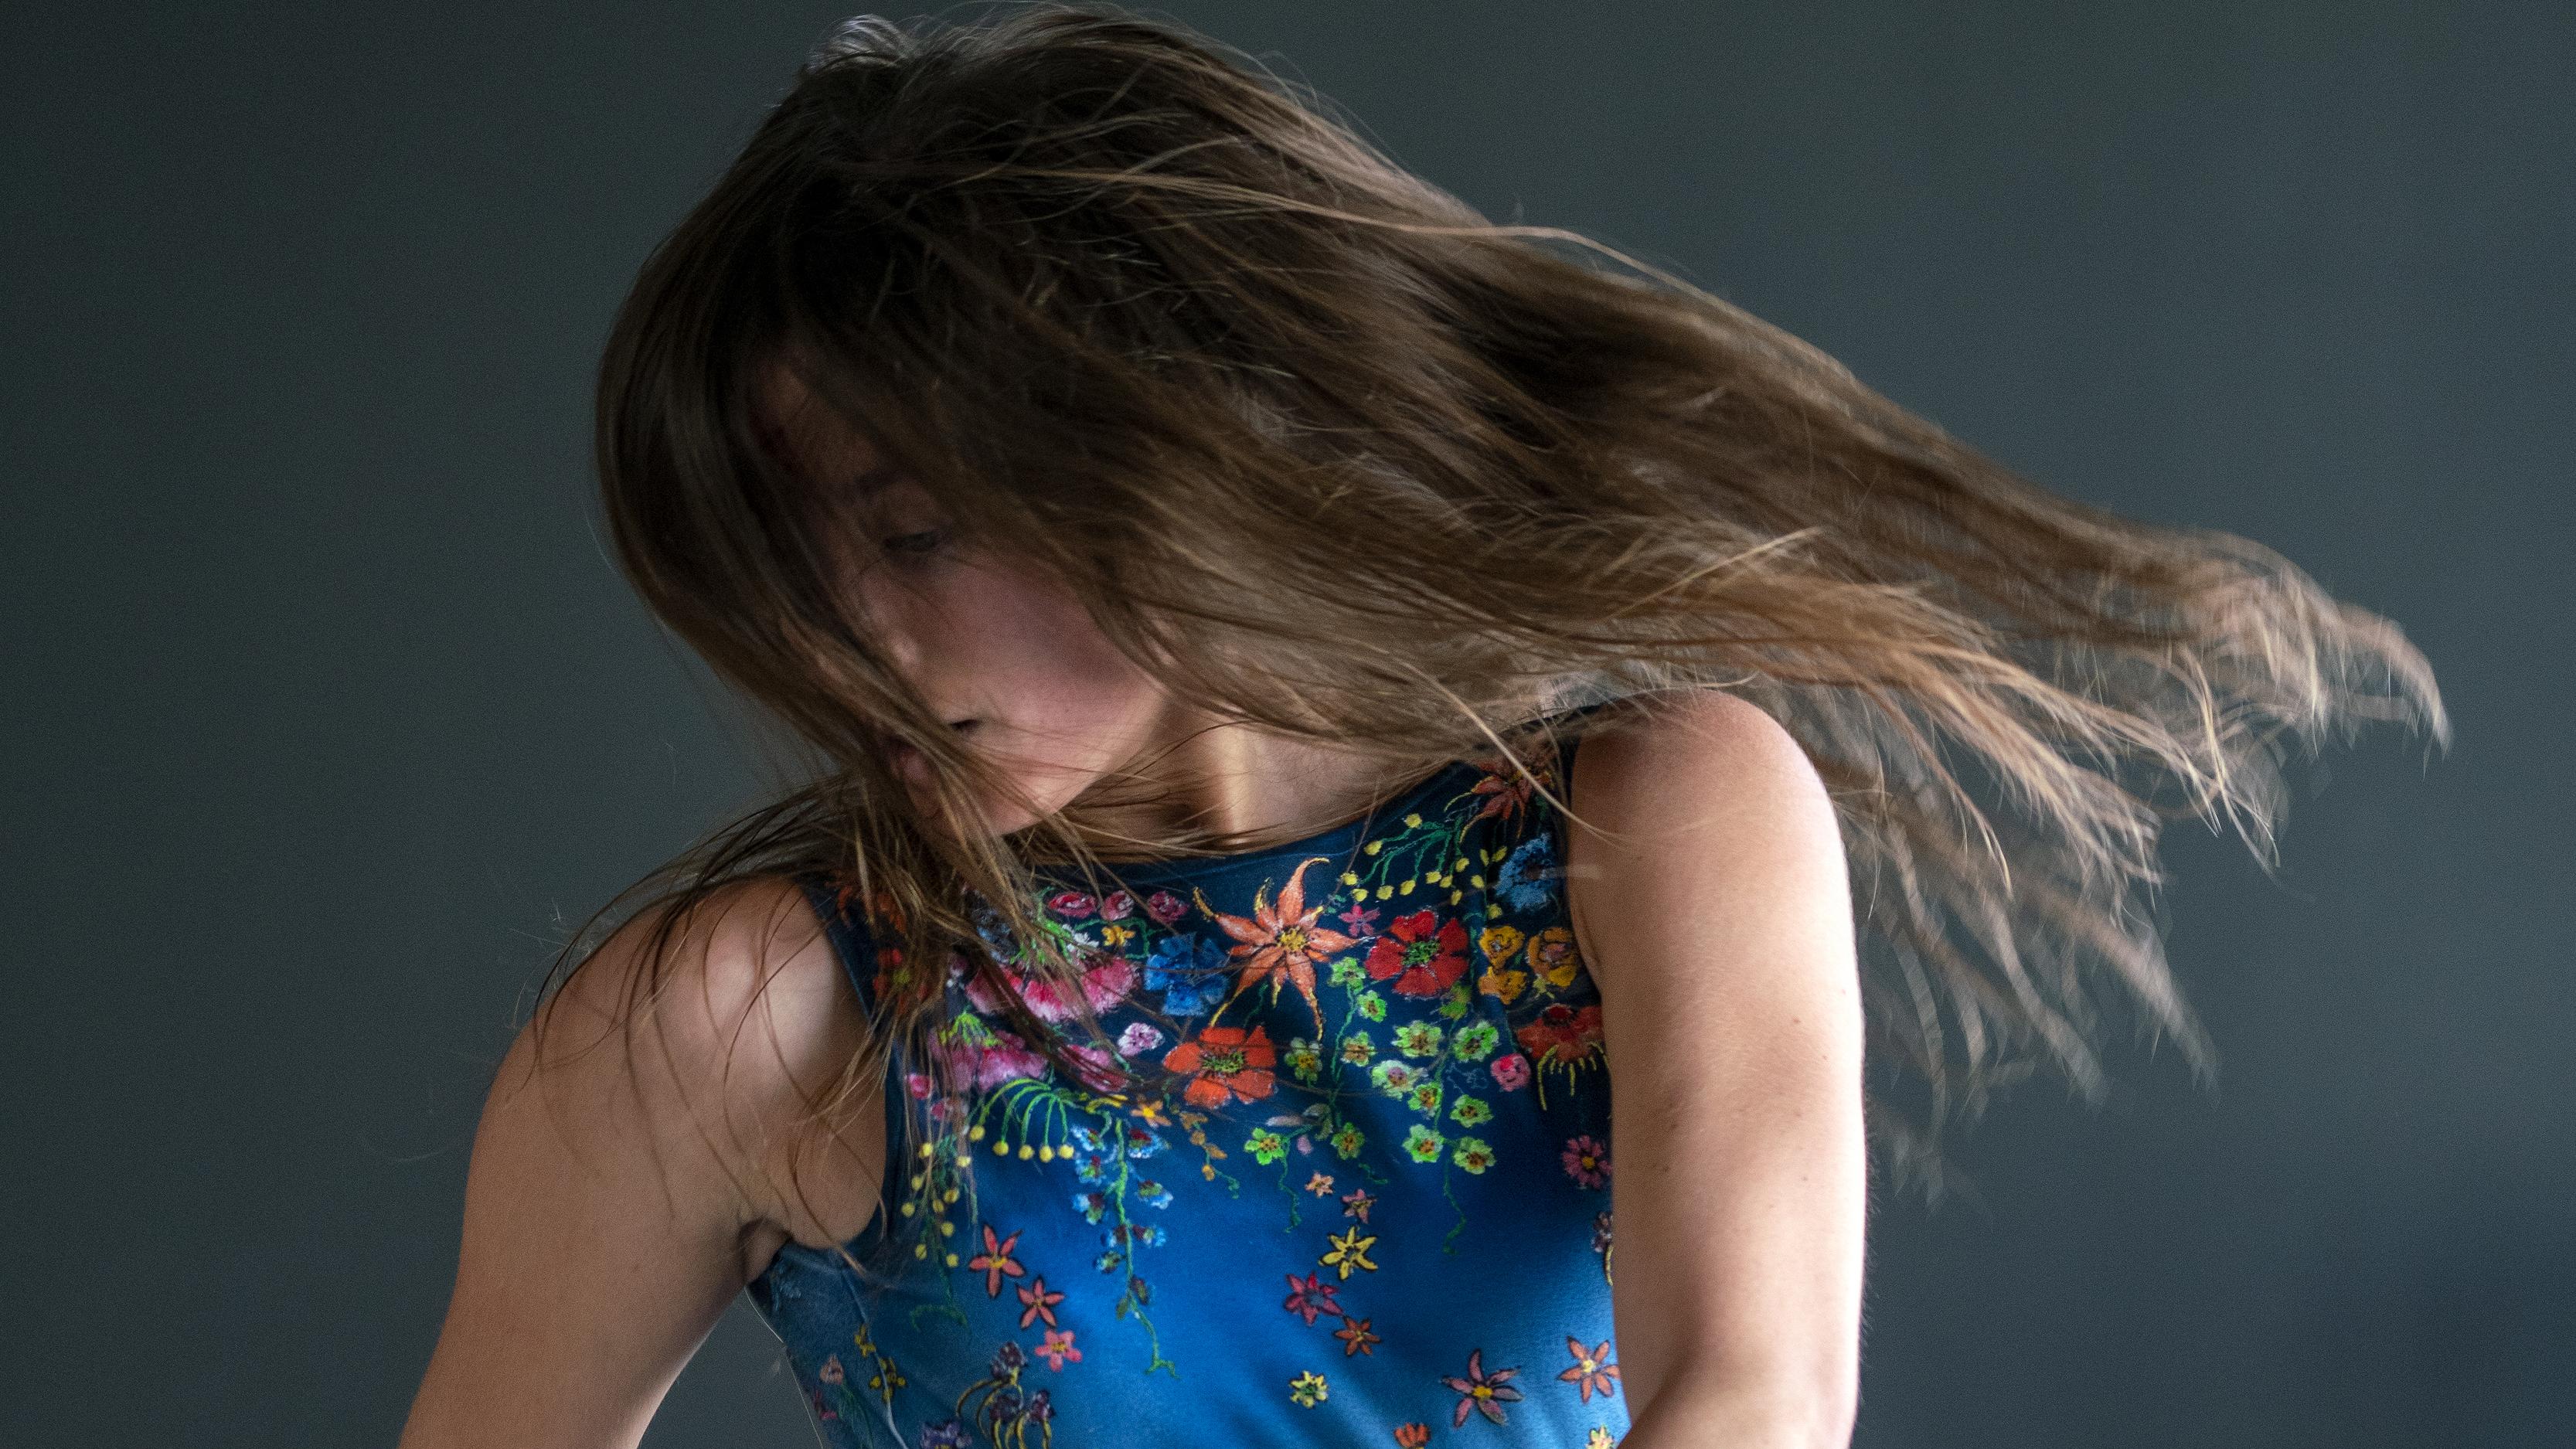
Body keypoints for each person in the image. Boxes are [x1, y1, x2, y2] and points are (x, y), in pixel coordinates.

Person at [396, 7, 2443, 1448]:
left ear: (1160, 443)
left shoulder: (1651, 818)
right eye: (778, 562)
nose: (832, 636)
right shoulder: (743, 1021)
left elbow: (1755, 1405)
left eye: (914, 530)